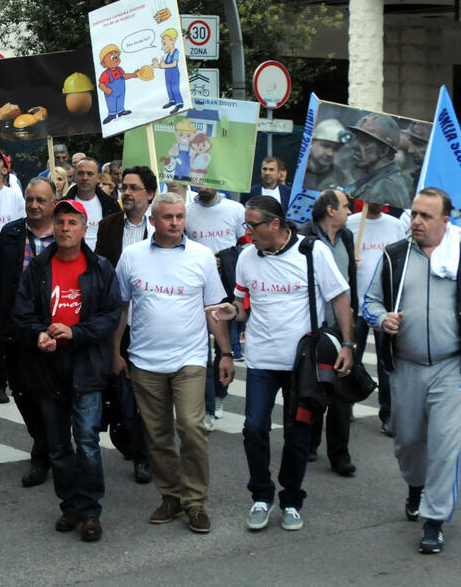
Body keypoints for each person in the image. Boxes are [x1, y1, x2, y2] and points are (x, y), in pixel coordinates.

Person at [362, 187, 461, 554]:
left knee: (444, 447)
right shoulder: (395, 256)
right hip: (405, 368)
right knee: (407, 441)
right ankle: (415, 486)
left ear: (445, 220)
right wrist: (381, 319)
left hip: (450, 368)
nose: (417, 221)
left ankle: (434, 520)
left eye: (426, 216)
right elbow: (370, 302)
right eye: (414, 214)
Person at [206, 195, 354, 532]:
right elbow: (243, 305)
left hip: (303, 366)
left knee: (298, 432)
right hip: (261, 360)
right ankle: (261, 495)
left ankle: (291, 499)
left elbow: (340, 297)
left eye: (252, 225)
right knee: (254, 428)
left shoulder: (312, 252)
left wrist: (348, 343)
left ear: (275, 224)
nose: (247, 232)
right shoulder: (246, 257)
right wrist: (232, 311)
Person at [114, 193, 234, 534]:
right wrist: (115, 352)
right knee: (157, 434)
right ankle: (171, 496)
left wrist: (225, 353)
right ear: (153, 220)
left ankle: (195, 502)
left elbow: (215, 309)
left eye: (180, 216)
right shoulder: (132, 256)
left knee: (193, 428)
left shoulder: (201, 257)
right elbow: (121, 308)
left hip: (190, 359)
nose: (175, 222)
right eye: (168, 217)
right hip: (145, 361)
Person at [13, 199, 122, 543]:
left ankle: (90, 511)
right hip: (48, 367)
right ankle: (70, 505)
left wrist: (76, 333)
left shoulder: (101, 267)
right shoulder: (38, 268)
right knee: (59, 444)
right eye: (59, 222)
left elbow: (110, 316)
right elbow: (22, 313)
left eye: (72, 223)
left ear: (84, 228)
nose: (64, 228)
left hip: (86, 365)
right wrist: (39, 334)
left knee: (87, 440)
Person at [0, 178, 56, 485]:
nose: (34, 205)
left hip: (52, 328)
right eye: (30, 199)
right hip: (15, 327)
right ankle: (44, 440)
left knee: (48, 392)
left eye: (40, 200)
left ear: (53, 203)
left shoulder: (64, 233)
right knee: (21, 391)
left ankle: (44, 453)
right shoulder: (11, 233)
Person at [95, 165, 157, 485]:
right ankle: (127, 439)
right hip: (118, 322)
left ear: (150, 194)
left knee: (141, 391)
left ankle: (143, 455)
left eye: (134, 188)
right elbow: (100, 272)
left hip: (149, 324)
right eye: (124, 187)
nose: (127, 193)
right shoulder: (108, 227)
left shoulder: (160, 228)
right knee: (120, 388)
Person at [297, 189, 358, 476]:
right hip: (313, 327)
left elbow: (348, 284)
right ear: (331, 210)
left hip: (340, 327)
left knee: (342, 390)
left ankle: (340, 454)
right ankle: (309, 442)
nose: (351, 211)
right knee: (314, 387)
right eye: (347, 206)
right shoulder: (302, 237)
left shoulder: (346, 237)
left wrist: (351, 323)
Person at [184, 185, 248, 423]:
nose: (203, 185)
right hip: (197, 288)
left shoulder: (235, 209)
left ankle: (220, 393)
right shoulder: (187, 211)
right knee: (203, 351)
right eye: (197, 181)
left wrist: (226, 259)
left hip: (227, 287)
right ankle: (207, 407)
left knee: (226, 346)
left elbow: (247, 246)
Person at [347, 202, 405, 435]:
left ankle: (388, 413)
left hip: (385, 306)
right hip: (355, 305)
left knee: (386, 362)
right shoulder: (351, 223)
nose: (380, 202)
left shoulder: (395, 225)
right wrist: (351, 262)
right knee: (351, 359)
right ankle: (345, 405)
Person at [345, 113, 412, 209]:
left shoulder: (385, 188)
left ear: (384, 150)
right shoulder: (375, 181)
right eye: (357, 139)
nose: (355, 145)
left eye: (364, 141)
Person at [63, 157, 120, 249]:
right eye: (81, 173)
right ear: (75, 176)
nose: (85, 178)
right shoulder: (63, 205)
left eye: (90, 174)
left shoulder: (111, 205)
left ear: (98, 177)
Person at [304, 118, 352, 189]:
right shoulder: (299, 167)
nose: (330, 154)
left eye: (335, 149)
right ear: (312, 142)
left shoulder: (342, 178)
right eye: (326, 146)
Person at [151, 28, 184, 114]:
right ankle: (172, 100)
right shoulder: (168, 54)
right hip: (168, 74)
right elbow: (163, 65)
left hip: (174, 74)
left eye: (165, 43)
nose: (164, 45)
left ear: (173, 40)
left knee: (175, 88)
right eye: (163, 43)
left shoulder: (176, 52)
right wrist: (157, 65)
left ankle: (179, 103)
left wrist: (164, 65)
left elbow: (174, 64)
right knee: (169, 88)